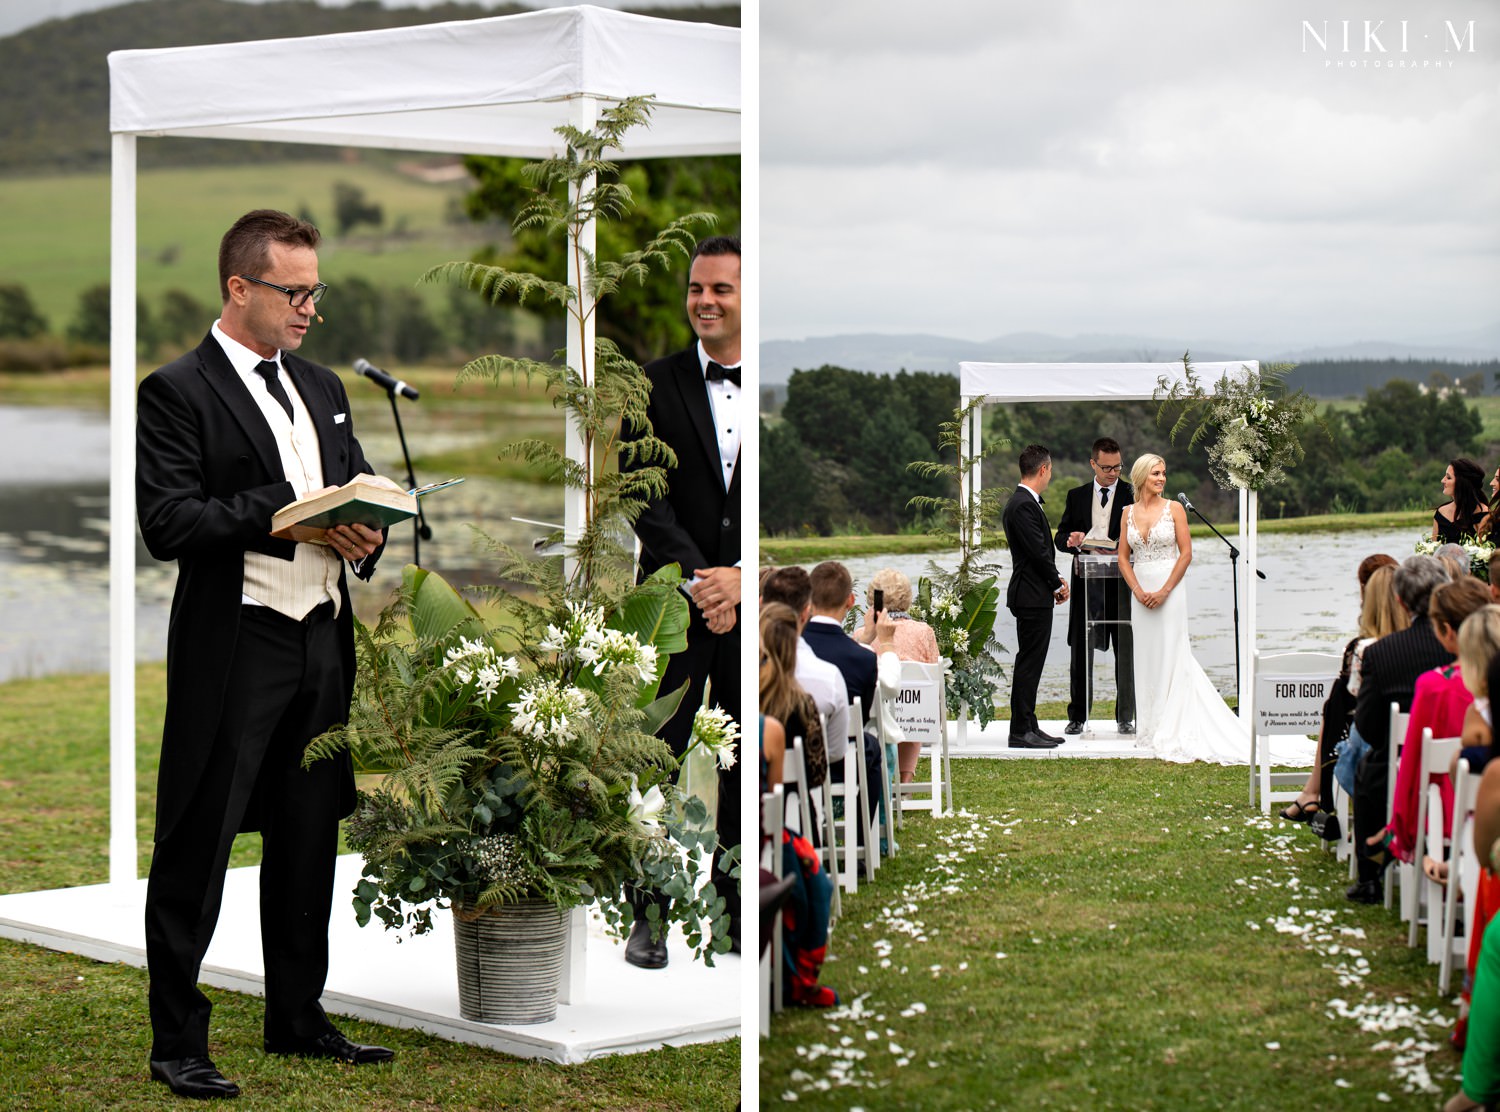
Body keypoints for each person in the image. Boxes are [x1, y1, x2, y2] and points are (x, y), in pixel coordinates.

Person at [135, 209, 395, 1100]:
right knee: (197, 841)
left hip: (321, 638)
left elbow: (353, 486)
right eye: (295, 291)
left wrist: (366, 534)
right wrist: (283, 507)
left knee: (306, 836)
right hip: (236, 645)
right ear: (239, 288)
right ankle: (178, 1041)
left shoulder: (325, 385)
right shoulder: (176, 391)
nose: (310, 307)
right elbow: (167, 525)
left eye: (316, 290)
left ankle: (297, 1016)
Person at [624, 234, 742, 968]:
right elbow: (644, 494)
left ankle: (733, 907)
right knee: (654, 752)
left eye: (721, 289)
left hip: (750, 604)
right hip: (671, 601)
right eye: (696, 288)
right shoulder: (652, 381)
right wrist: (706, 581)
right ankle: (650, 914)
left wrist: (743, 577)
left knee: (740, 755)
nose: (704, 300)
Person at [1115, 453, 1244, 763]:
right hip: (1140, 591)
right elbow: (1122, 557)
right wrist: (1137, 590)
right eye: (1156, 473)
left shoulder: (1174, 510)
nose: (1162, 478)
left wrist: (1164, 591)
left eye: (1164, 473)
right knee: (1145, 656)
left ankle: (1175, 725)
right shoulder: (1127, 513)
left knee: (1172, 654)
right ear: (1142, 476)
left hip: (1169, 590)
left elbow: (1186, 554)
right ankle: (1150, 726)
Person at [1347, 554, 1454, 903]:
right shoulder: (1461, 646)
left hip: (1397, 768)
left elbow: (1368, 725)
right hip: (1459, 766)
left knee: (1369, 767)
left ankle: (1370, 876)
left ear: (1400, 600)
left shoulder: (1383, 652)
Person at [1364, 578, 1491, 865]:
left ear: (1446, 631)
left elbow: (1412, 764)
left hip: (1446, 811)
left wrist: (1400, 828)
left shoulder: (1435, 685)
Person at [1279, 556, 1401, 828]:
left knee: (1334, 705)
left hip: (1371, 749)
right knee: (1335, 705)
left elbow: (1355, 705)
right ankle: (1311, 792)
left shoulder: (1363, 648)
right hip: (1413, 748)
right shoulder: (1423, 645)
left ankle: (1313, 790)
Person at [1053, 436, 1136, 735]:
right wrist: (1071, 541)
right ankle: (1078, 716)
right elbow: (1059, 537)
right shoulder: (1076, 496)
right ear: (1093, 464)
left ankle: (1125, 716)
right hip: (1086, 582)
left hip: (1122, 585)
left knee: (1125, 650)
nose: (1113, 473)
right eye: (1106, 468)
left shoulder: (1132, 493)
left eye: (1117, 467)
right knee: (1081, 650)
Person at [1001, 444, 1069, 749]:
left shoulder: (1023, 503)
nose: (1050, 475)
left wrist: (1052, 583)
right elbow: (1038, 552)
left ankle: (1030, 724)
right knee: (1029, 662)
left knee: (1032, 661)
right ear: (1043, 469)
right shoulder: (1023, 505)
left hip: (1032, 593)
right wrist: (1056, 583)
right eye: (1050, 470)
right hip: (1030, 594)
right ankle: (1020, 731)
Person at [853, 567, 939, 783]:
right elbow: (936, 679)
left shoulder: (861, 636)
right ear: (907, 598)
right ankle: (906, 780)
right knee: (919, 701)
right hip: (917, 719)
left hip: (874, 717)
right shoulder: (923, 631)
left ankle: (877, 775)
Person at [1432, 457, 1489, 543]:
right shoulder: (1440, 513)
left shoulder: (1483, 514)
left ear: (1461, 482)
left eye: (1448, 477)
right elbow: (1434, 550)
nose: (1442, 480)